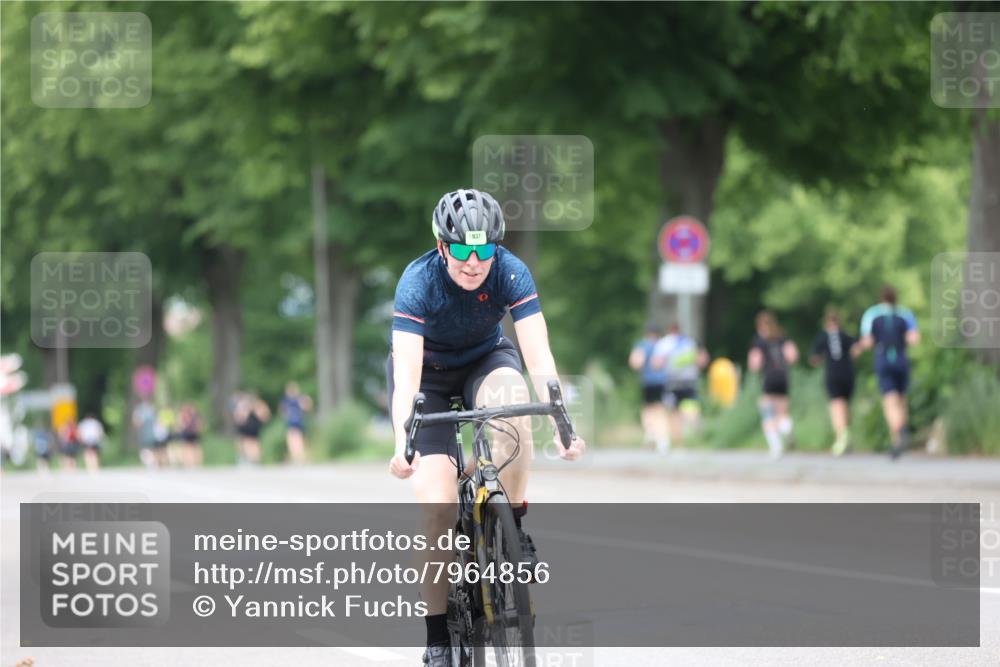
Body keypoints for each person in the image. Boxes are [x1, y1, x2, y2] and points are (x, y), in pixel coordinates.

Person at [385, 188, 585, 666]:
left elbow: (539, 355)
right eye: (461, 250)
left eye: (484, 250)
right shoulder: (418, 281)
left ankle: (513, 522)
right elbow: (406, 376)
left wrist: (562, 422)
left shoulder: (511, 271)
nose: (473, 262)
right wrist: (402, 444)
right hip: (427, 379)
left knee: (514, 410)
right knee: (437, 510)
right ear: (442, 247)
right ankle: (437, 639)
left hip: (484, 361)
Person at [856, 285, 920, 460]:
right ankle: (900, 437)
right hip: (901, 359)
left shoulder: (872, 314)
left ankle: (898, 433)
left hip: (884, 359)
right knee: (902, 399)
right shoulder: (905, 313)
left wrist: (860, 347)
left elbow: (867, 342)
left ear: (881, 297)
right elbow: (914, 338)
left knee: (890, 401)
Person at [748, 310, 799, 459]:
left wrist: (755, 367)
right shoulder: (782, 339)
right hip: (783, 377)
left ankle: (776, 447)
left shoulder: (759, 342)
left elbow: (755, 364)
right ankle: (786, 426)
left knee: (768, 414)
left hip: (769, 378)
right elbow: (793, 357)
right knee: (782, 413)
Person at [651, 324, 708, 449]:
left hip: (672, 381)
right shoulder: (689, 342)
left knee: (674, 413)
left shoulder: (664, 343)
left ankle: (679, 443)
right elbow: (702, 360)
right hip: (689, 380)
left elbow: (656, 363)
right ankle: (697, 434)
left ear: (669, 331)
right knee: (692, 409)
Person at [809, 309, 857, 456]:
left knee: (836, 405)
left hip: (833, 374)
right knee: (845, 405)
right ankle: (846, 434)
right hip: (848, 374)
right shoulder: (845, 335)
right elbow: (856, 350)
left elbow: (814, 359)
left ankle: (841, 436)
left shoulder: (823, 336)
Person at [629, 324, 670, 453]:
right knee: (660, 409)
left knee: (648, 409)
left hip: (648, 382)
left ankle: (650, 431)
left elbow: (635, 362)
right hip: (662, 381)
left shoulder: (643, 344)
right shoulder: (663, 345)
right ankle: (662, 439)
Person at [280, 382, 313, 464]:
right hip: (292, 423)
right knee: (293, 440)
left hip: (297, 423)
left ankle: (300, 457)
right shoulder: (288, 400)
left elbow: (307, 407)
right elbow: (283, 411)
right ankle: (297, 457)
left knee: (297, 441)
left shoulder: (298, 399)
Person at [234, 392, 270, 465]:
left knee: (249, 442)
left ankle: (253, 459)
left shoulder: (255, 405)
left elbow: (240, 417)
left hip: (251, 425)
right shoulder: (256, 404)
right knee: (248, 442)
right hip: (251, 425)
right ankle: (252, 459)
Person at [133, 399, 162, 468]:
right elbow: (136, 422)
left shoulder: (151, 408)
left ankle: (152, 462)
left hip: (151, 433)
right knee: (146, 449)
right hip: (145, 433)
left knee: (151, 448)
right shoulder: (140, 409)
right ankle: (150, 462)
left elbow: (158, 420)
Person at [177, 403, 203, 467]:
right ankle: (193, 462)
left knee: (188, 447)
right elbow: (199, 424)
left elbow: (180, 424)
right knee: (193, 447)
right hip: (193, 432)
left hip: (188, 432)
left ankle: (189, 462)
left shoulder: (184, 415)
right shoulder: (195, 414)